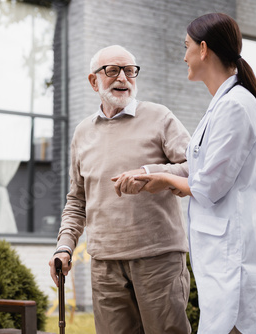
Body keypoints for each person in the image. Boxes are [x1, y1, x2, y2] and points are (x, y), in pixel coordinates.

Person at [114, 13, 256, 334]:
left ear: (204, 49)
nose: (184, 56)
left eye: (187, 46)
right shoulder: (224, 104)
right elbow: (203, 168)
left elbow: (208, 185)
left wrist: (164, 181)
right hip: (224, 256)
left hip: (236, 258)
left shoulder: (234, 106)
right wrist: (149, 171)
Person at [48, 45, 192, 334]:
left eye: (129, 71)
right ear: (94, 81)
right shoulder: (82, 133)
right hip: (104, 265)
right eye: (112, 71)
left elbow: (198, 168)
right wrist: (64, 247)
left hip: (158, 258)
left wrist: (153, 173)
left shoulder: (160, 117)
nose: (123, 78)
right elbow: (77, 201)